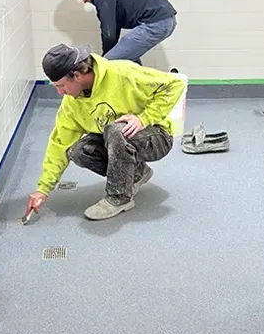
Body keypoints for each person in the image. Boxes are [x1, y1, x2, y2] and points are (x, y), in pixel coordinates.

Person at [24, 44, 186, 221]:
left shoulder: (122, 73)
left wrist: (144, 118)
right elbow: (59, 144)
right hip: (117, 139)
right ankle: (137, 174)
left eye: (61, 85)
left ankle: (119, 198)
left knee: (116, 130)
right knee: (77, 151)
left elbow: (175, 84)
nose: (60, 92)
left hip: (155, 137)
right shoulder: (72, 104)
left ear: (76, 76)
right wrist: (43, 189)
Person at [69, 0, 178, 66]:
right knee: (126, 57)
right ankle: (142, 86)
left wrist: (105, 58)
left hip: (157, 22)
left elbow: (108, 32)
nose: (83, 1)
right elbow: (113, 27)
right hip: (164, 20)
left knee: (108, 64)